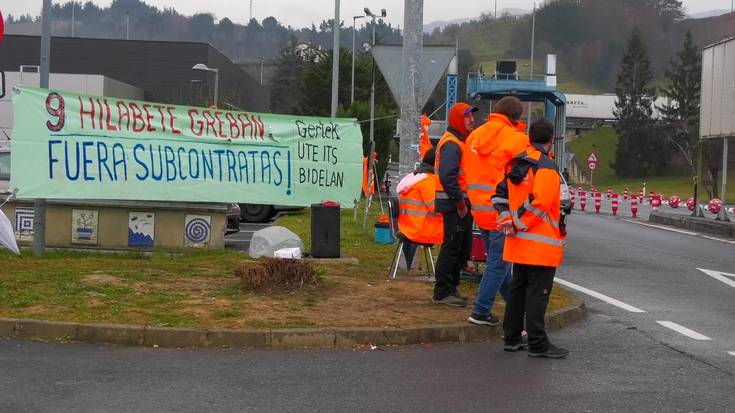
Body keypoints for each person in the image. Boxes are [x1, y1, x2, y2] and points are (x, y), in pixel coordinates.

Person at [493, 118, 569, 359]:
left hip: (518, 242)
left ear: (529, 136)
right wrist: (517, 222)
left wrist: (507, 220)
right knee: (538, 293)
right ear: (551, 138)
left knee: (518, 289)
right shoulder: (546, 166)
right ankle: (538, 343)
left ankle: (512, 337)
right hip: (539, 243)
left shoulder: (516, 163)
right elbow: (540, 203)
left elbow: (499, 195)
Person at [464, 96, 529, 325]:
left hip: (479, 210)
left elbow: (466, 172)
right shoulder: (518, 139)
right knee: (498, 265)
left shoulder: (474, 136)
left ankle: (517, 307)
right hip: (503, 212)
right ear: (516, 116)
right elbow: (525, 176)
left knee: (497, 263)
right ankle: (481, 311)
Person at [433, 102, 478, 306]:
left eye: (472, 116)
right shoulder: (452, 143)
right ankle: (442, 292)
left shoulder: (460, 142)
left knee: (461, 248)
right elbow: (448, 176)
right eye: (467, 116)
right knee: (451, 248)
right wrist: (460, 202)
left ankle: (451, 287)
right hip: (454, 205)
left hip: (459, 204)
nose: (471, 119)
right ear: (457, 119)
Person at [396, 148, 443, 246]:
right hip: (421, 230)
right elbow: (435, 207)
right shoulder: (428, 181)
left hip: (406, 227)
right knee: (456, 230)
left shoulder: (415, 177)